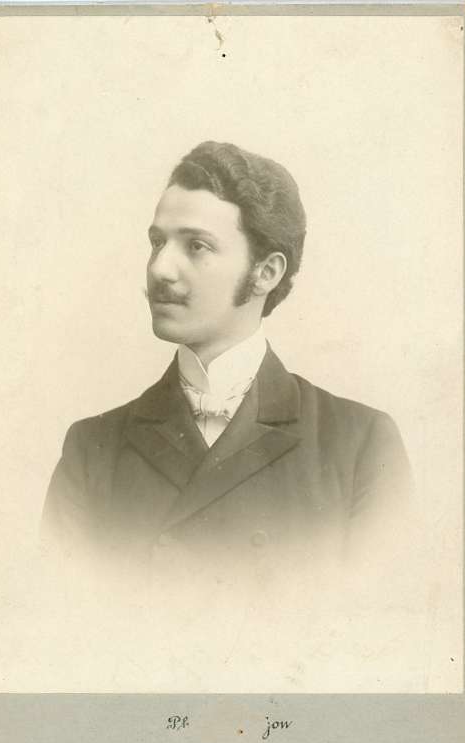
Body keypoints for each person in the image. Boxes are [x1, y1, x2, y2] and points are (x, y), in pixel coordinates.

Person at [42, 140, 412, 580]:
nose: (160, 268)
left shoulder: (360, 445)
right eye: (157, 242)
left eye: (196, 246)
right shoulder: (91, 450)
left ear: (265, 273)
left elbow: (381, 614)